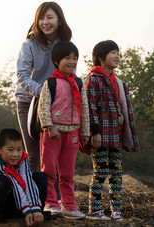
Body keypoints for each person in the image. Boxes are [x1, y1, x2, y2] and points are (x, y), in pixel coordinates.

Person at [85, 40, 139, 221]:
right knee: (100, 172)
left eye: (118, 53)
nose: (117, 56)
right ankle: (94, 209)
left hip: (115, 136)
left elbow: (126, 111)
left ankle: (116, 210)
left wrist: (127, 137)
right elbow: (89, 107)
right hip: (99, 137)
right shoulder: (93, 80)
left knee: (116, 174)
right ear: (100, 57)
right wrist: (95, 132)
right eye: (112, 52)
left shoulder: (121, 84)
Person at [15, 1, 72, 173]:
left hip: (56, 105)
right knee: (33, 155)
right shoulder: (29, 45)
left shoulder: (66, 45)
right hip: (29, 102)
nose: (45, 22)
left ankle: (54, 200)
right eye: (41, 18)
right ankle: (33, 198)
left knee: (53, 154)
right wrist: (46, 92)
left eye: (49, 17)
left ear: (59, 20)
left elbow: (70, 75)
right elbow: (22, 77)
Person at [38, 41, 90, 219]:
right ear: (56, 61)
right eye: (67, 58)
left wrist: (85, 132)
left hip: (73, 133)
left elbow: (84, 108)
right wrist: (49, 126)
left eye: (75, 58)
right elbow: (43, 107)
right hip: (53, 133)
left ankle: (69, 205)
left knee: (68, 172)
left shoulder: (79, 83)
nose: (72, 61)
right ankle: (50, 203)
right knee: (49, 170)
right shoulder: (50, 83)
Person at [0, 129, 47, 227]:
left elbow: (27, 182)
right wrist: (26, 209)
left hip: (18, 205)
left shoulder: (23, 161)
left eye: (19, 150)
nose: (15, 154)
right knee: (0, 181)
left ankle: (36, 214)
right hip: (3, 204)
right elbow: (15, 185)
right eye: (10, 150)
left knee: (40, 177)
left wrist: (34, 207)